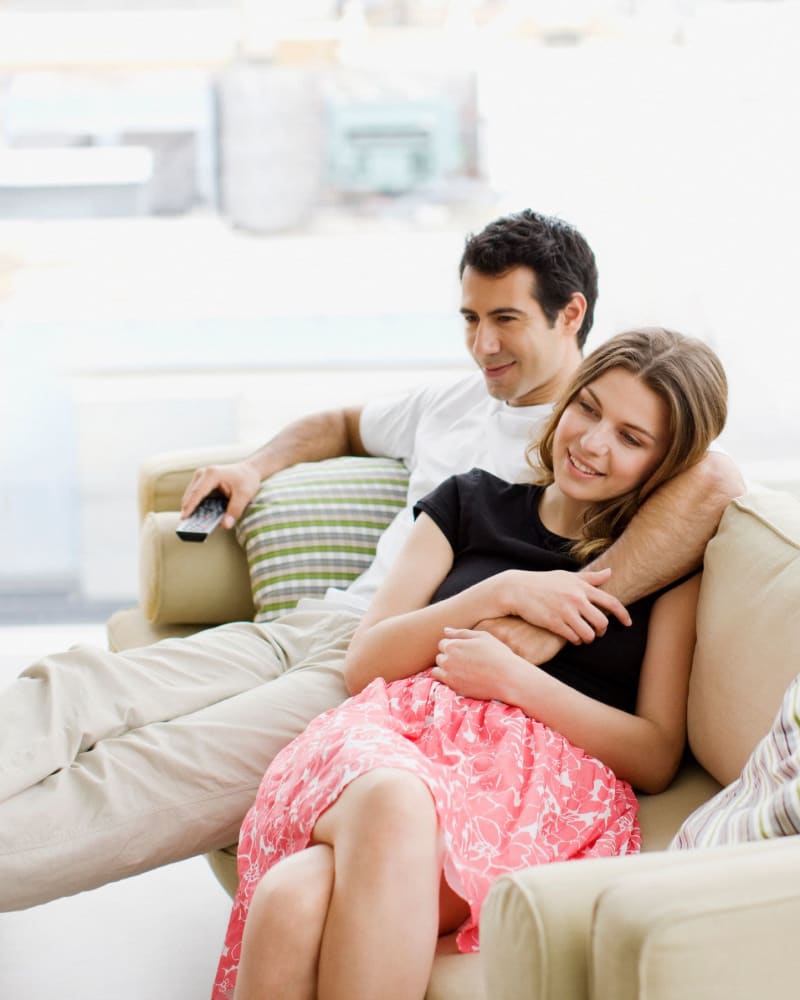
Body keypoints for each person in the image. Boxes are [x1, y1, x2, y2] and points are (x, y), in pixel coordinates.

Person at [0, 211, 742, 911]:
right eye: (471, 319)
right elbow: (339, 423)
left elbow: (714, 480)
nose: (484, 344)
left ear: (570, 315)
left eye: (506, 320)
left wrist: (555, 611)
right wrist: (257, 465)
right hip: (325, 620)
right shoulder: (455, 404)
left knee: (160, 768)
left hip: (403, 673)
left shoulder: (611, 431)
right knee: (78, 683)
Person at [211, 328, 727, 1000]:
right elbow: (366, 662)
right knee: (392, 799)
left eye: (633, 438)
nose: (595, 442)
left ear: (667, 463)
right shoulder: (468, 504)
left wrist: (513, 679)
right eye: (590, 408)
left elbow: (656, 754)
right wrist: (500, 591)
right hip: (393, 739)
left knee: (292, 899)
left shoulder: (663, 567)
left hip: (532, 789)